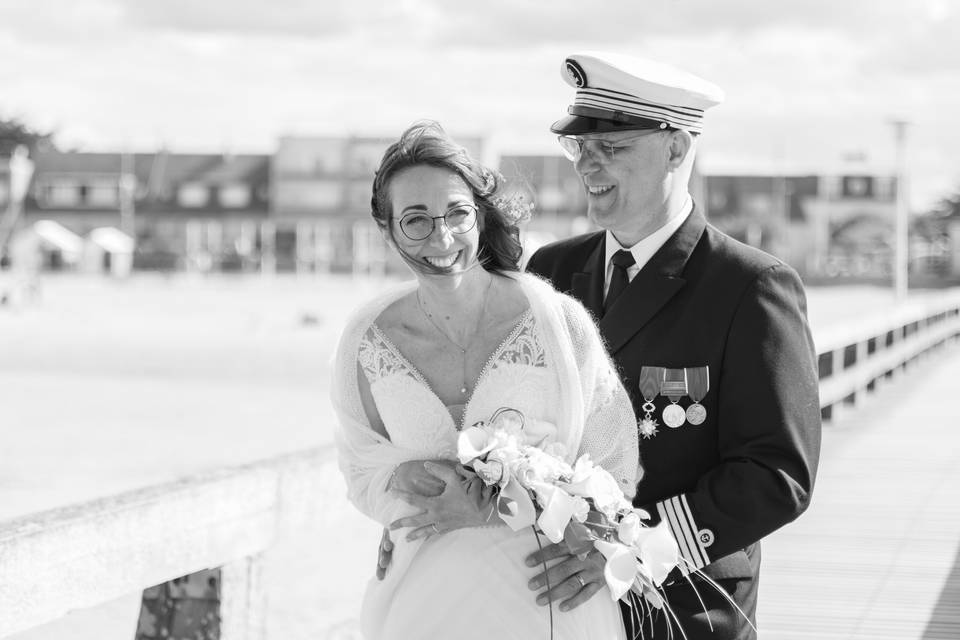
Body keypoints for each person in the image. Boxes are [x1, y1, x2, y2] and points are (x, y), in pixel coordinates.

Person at [523, 52, 823, 639]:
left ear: (677, 149)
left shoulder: (750, 287)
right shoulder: (551, 270)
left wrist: (631, 546)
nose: (589, 164)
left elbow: (777, 474)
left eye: (613, 147)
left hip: (680, 611)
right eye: (580, 147)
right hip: (554, 605)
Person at [332, 120, 640, 639]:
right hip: (423, 600)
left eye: (456, 212)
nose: (442, 236)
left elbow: (613, 465)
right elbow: (361, 467)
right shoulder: (367, 339)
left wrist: (500, 505)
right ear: (387, 231)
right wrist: (400, 481)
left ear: (480, 213)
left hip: (545, 599)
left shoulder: (557, 323)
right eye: (416, 220)